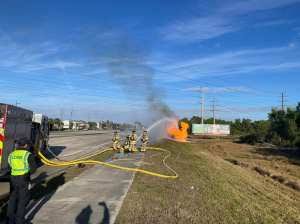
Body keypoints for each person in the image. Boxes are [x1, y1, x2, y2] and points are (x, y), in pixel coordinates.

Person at [7, 138, 37, 224]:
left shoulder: (11, 154)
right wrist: (27, 176)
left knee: (12, 199)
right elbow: (33, 169)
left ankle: (9, 220)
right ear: (26, 145)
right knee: (22, 200)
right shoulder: (28, 154)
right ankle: (19, 221)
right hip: (23, 179)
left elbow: (10, 167)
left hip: (13, 179)